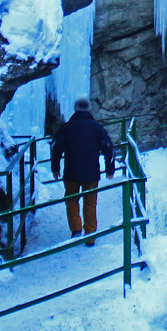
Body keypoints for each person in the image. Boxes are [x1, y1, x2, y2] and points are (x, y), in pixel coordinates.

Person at [50, 98, 114, 246]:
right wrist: (109, 170)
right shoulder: (97, 128)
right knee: (90, 203)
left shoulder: (67, 127)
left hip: (71, 172)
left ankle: (76, 230)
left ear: (75, 109)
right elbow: (108, 148)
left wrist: (55, 167)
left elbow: (56, 147)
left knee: (72, 201)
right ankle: (90, 235)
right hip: (91, 172)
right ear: (89, 110)